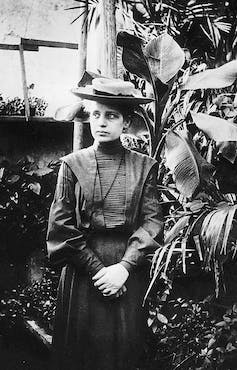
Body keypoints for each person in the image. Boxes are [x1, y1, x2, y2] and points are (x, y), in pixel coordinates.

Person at [46, 77, 163, 370]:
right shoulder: (71, 165)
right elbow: (61, 226)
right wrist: (100, 271)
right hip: (83, 274)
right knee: (79, 354)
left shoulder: (144, 166)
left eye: (111, 115)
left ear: (126, 122)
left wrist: (123, 269)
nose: (101, 122)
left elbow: (151, 222)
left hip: (126, 273)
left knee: (122, 352)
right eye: (96, 114)